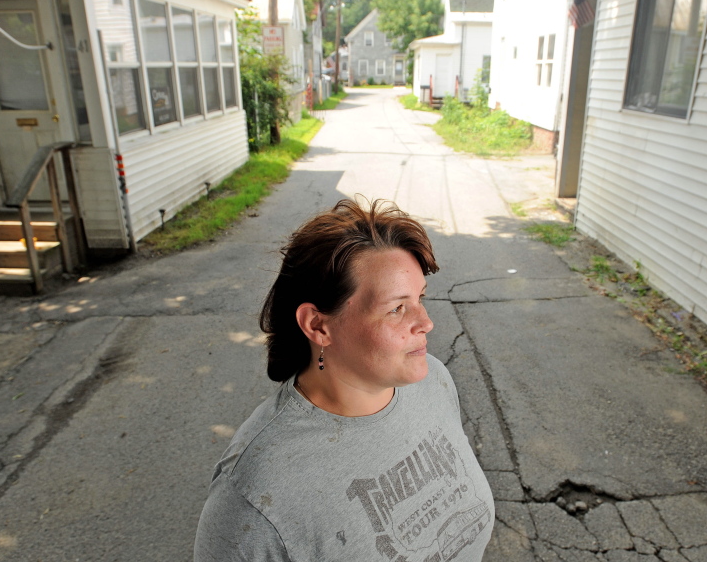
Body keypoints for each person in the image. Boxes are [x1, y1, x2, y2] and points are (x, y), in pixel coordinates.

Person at [194, 198, 494, 561]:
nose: (426, 323)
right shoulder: (252, 499)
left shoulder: (434, 383)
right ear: (318, 325)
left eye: (420, 299)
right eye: (396, 308)